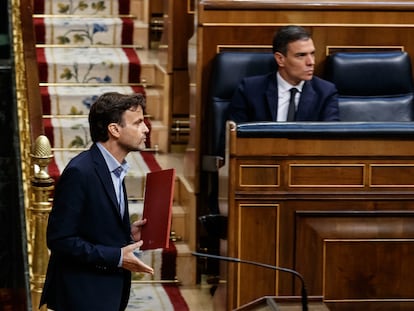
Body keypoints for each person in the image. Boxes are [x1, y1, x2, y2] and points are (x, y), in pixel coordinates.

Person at [40, 92, 154, 311]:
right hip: (82, 295)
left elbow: (93, 225)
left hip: (106, 293)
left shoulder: (115, 168)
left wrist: (128, 234)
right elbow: (60, 239)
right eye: (138, 122)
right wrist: (117, 257)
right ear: (114, 129)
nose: (146, 128)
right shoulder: (80, 171)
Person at [229, 25, 340, 122]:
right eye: (301, 55)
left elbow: (330, 140)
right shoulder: (250, 90)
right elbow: (231, 139)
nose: (311, 62)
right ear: (280, 59)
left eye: (312, 54)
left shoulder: (325, 92)